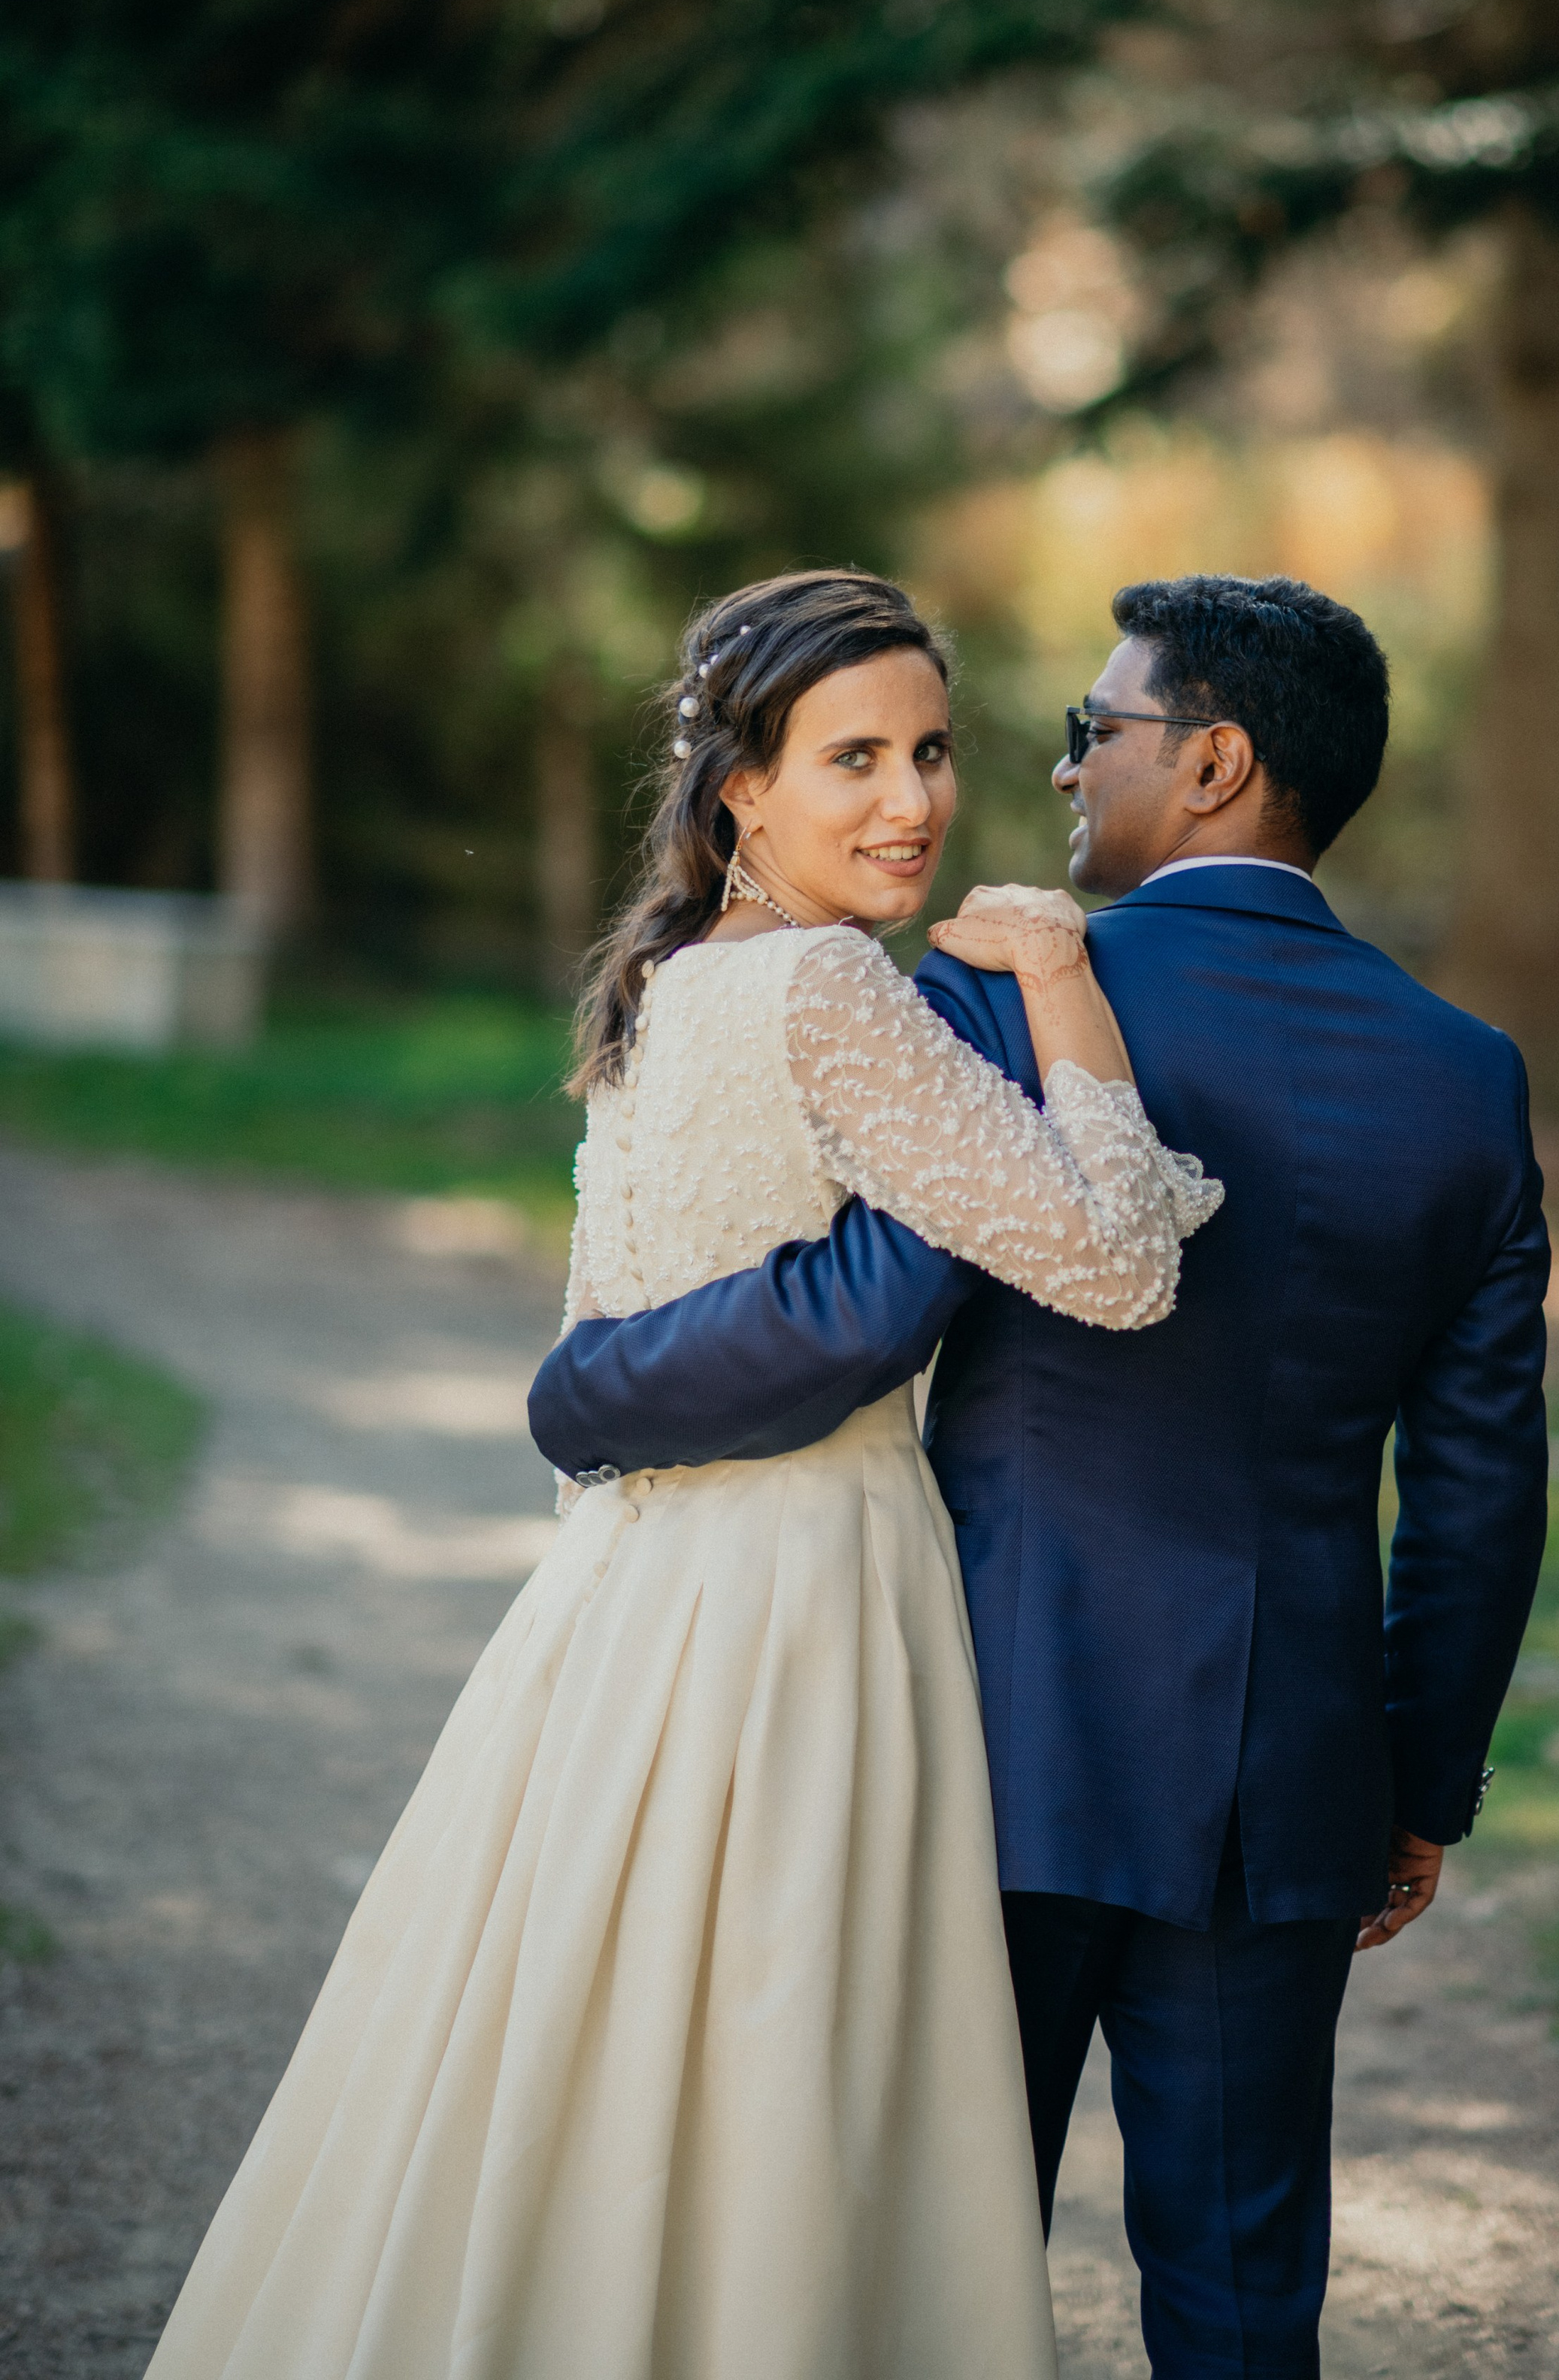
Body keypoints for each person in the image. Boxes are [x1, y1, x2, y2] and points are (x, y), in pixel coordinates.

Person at [147, 569, 1221, 2380]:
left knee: (588, 2041)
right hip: (809, 1590)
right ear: (741, 789)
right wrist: (1052, 976)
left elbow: (608, 1328)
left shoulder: (664, 987)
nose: (911, 802)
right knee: (776, 2052)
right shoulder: (826, 992)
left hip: (625, 1597)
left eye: (934, 752)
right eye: (852, 759)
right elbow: (1117, 1262)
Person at [531, 570, 1552, 2380]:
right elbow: (1477, 1491)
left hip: (984, 1741)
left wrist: (588, 1387)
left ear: (1214, 762)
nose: (1060, 773)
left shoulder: (998, 980)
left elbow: (862, 1308)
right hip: (1283, 1774)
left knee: (918, 2271)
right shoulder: (1465, 1081)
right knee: (1242, 2299)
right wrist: (1421, 1782)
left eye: (1095, 733)